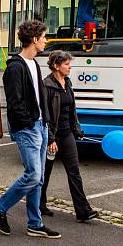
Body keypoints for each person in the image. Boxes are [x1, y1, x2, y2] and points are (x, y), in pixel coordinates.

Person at [0, 20, 61, 239]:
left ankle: (35, 223)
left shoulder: (35, 65)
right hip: (28, 128)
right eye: (44, 37)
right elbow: (15, 102)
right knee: (33, 174)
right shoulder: (15, 67)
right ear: (35, 39)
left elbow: (40, 98)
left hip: (41, 126)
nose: (46, 40)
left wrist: (44, 122)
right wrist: (29, 123)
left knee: (38, 179)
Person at [40, 50, 99, 222]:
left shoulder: (68, 83)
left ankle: (83, 211)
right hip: (52, 136)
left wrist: (77, 129)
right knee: (45, 173)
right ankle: (39, 204)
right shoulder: (47, 86)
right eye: (66, 64)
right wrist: (50, 138)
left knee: (74, 172)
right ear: (56, 66)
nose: (70, 66)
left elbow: (72, 110)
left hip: (66, 135)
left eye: (69, 63)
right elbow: (45, 115)